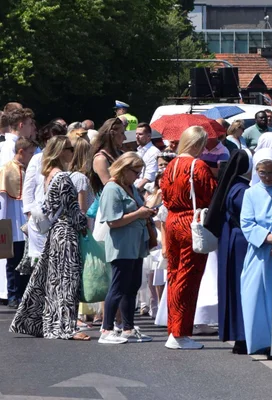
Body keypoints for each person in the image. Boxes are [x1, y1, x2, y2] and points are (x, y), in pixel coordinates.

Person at [10, 136, 89, 340]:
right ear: (61, 151)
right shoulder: (62, 177)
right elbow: (73, 211)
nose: (73, 152)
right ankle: (64, 327)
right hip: (66, 233)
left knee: (52, 279)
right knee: (66, 280)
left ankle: (47, 323)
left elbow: (48, 208)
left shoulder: (49, 175)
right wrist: (84, 226)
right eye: (70, 148)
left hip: (56, 231)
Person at [158, 125, 215, 350]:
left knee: (173, 274)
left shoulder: (170, 165)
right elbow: (209, 193)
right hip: (190, 221)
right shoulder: (197, 165)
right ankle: (180, 332)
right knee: (188, 277)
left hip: (172, 220)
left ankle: (174, 328)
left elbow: (163, 194)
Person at [97, 151, 154, 345]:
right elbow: (112, 221)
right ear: (125, 169)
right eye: (136, 171)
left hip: (135, 243)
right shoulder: (112, 188)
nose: (138, 176)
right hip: (122, 245)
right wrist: (139, 213)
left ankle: (128, 328)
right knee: (118, 287)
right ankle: (106, 329)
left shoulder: (129, 186)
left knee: (132, 287)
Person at [205, 145, 251, 353]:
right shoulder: (241, 188)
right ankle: (242, 335)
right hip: (238, 241)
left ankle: (237, 334)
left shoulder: (229, 184)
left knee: (231, 288)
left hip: (228, 240)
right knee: (241, 289)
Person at [240, 145, 272, 355]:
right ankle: (261, 341)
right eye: (262, 172)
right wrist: (269, 239)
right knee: (255, 297)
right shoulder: (251, 193)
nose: (267, 177)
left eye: (271, 172)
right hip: (260, 253)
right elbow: (247, 223)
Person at [1, 138, 33, 307]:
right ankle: (13, 295)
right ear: (21, 152)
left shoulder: (28, 169)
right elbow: (3, 199)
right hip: (12, 221)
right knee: (13, 261)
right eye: (29, 152)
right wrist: (3, 224)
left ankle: (24, 294)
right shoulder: (6, 169)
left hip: (25, 221)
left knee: (26, 259)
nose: (31, 155)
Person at [133, 123, 160, 191]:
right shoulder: (138, 152)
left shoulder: (154, 152)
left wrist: (136, 193)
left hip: (145, 192)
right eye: (136, 134)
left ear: (148, 136)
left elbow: (149, 178)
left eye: (140, 134)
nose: (137, 136)